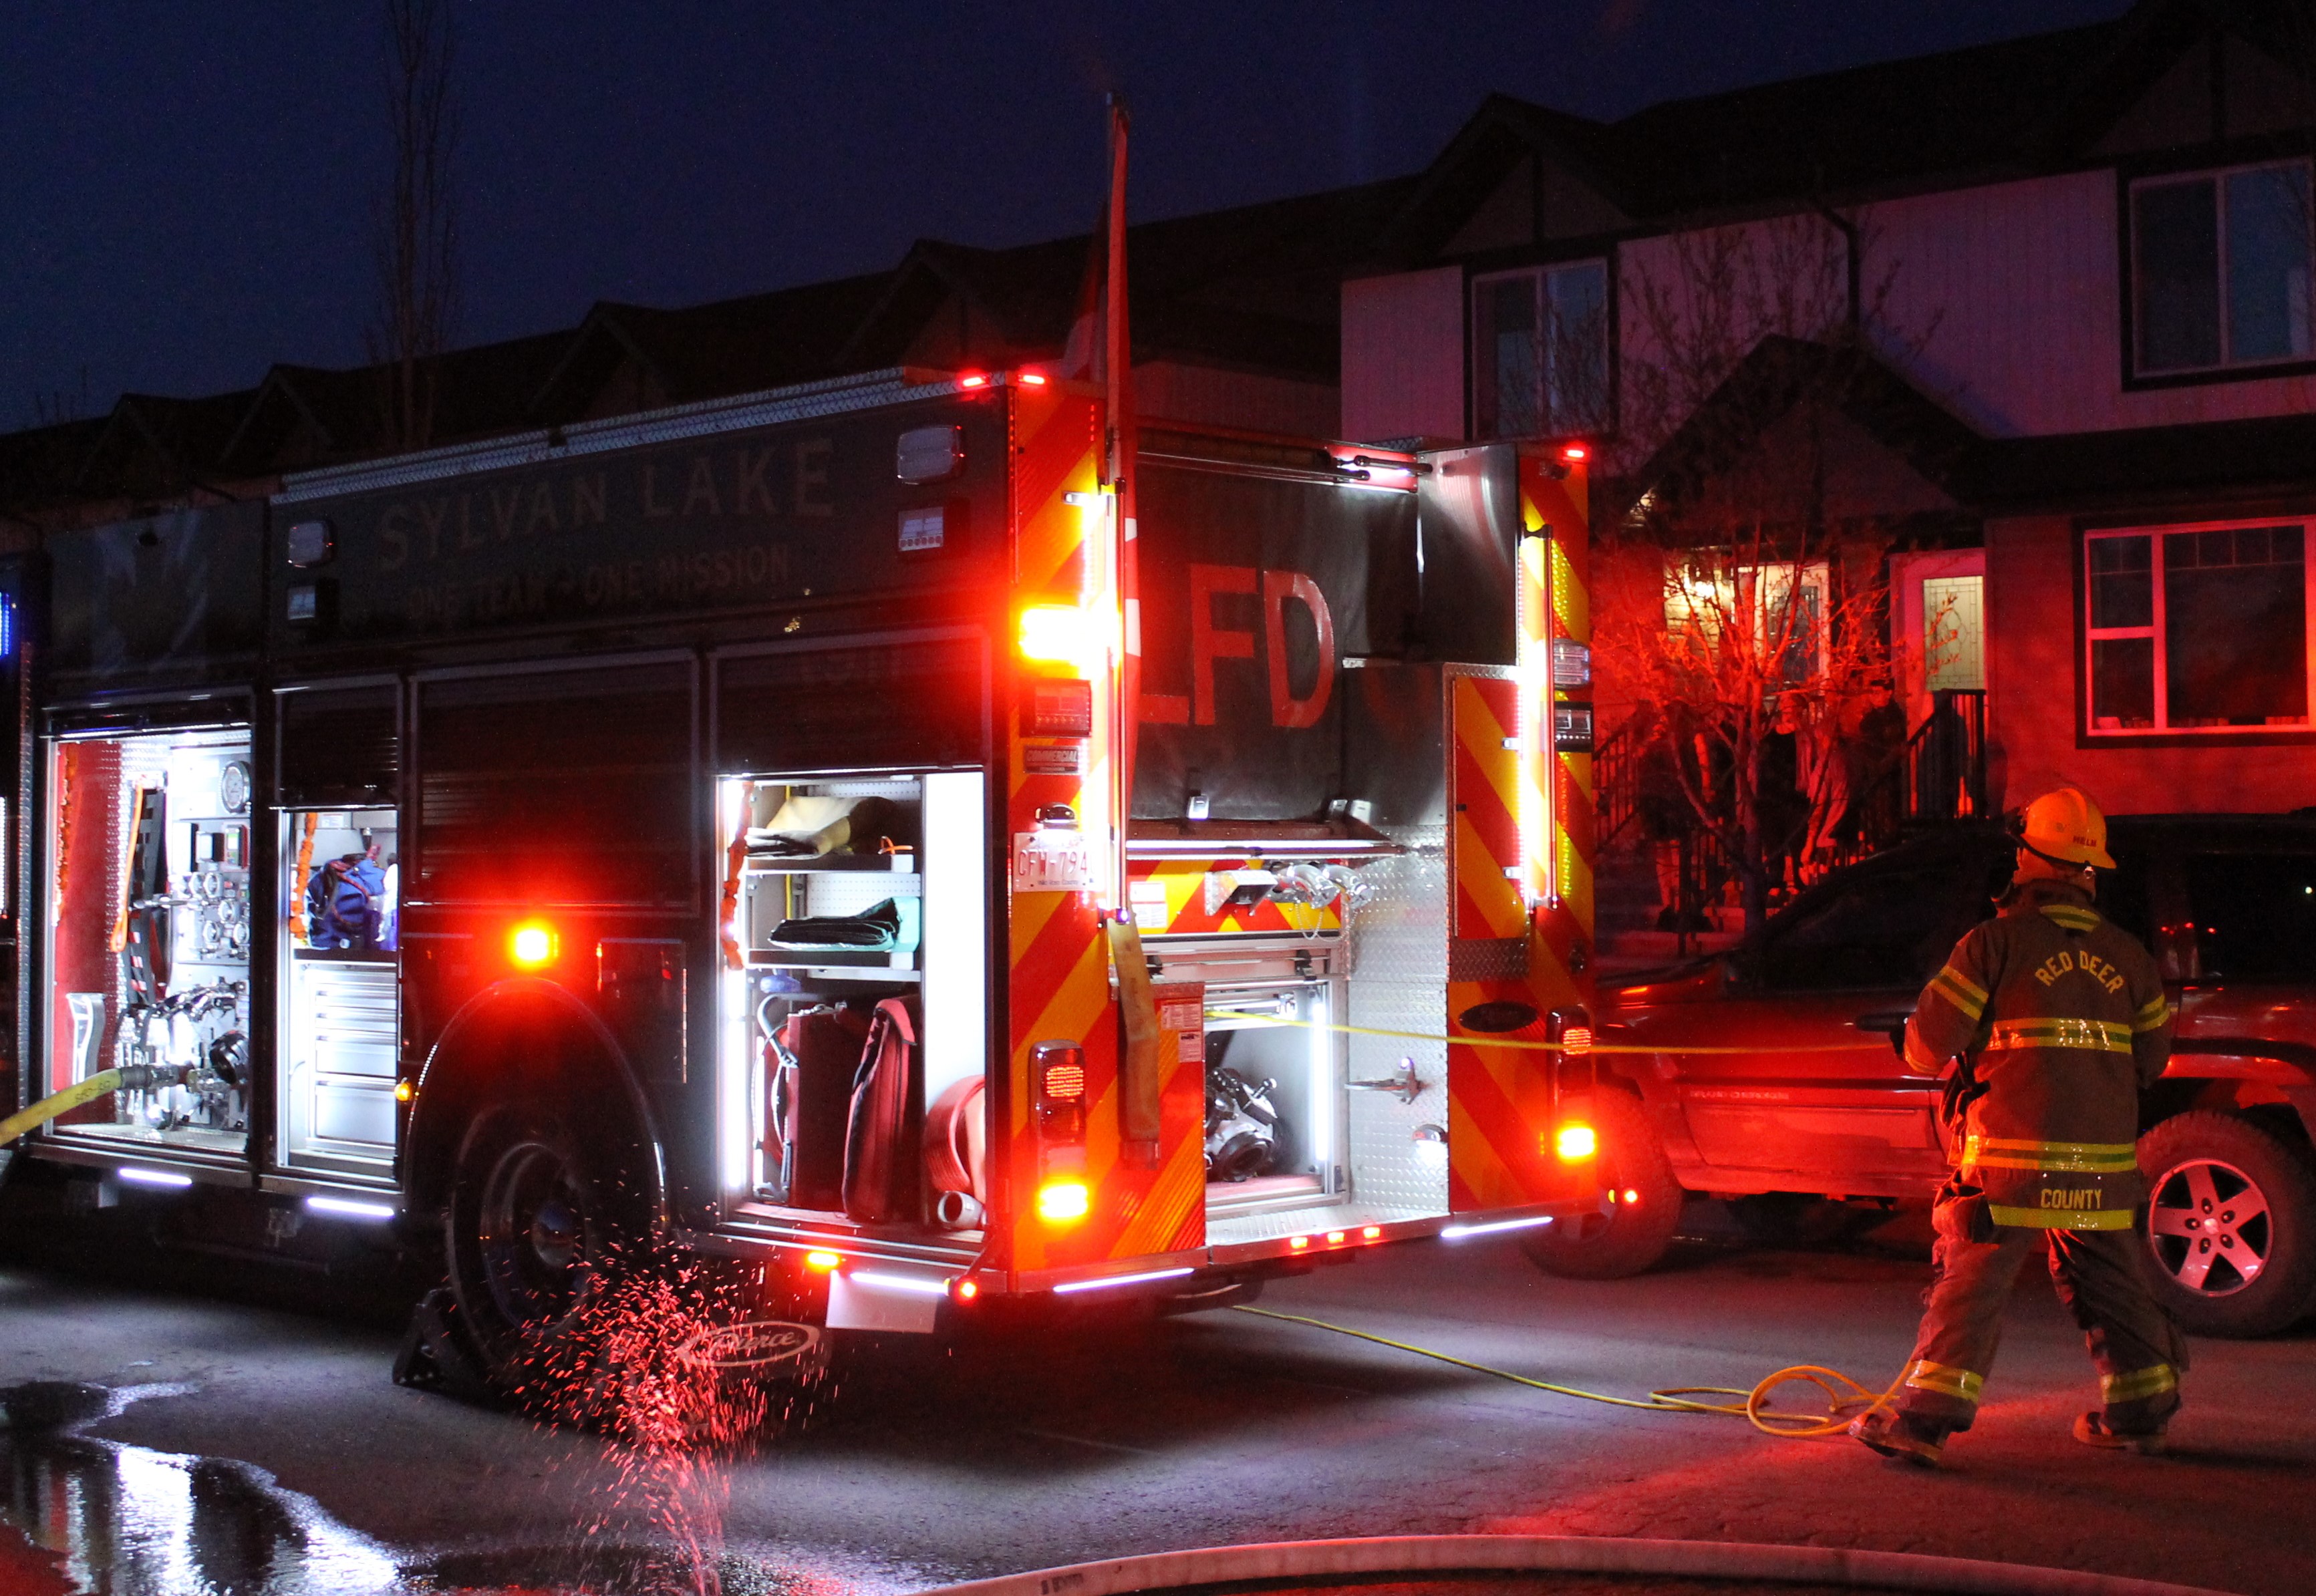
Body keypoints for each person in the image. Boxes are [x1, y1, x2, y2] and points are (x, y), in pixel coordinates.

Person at [1852, 786, 2180, 1468]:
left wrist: (1909, 1039)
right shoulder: (2131, 958)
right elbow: (2152, 1062)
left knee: (1971, 1279)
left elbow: (1925, 1048)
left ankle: (1921, 1422)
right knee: (2110, 1281)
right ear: (2089, 872)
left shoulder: (1991, 944)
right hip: (2101, 1167)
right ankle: (2141, 1411)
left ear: (2028, 860)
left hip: (2009, 1164)